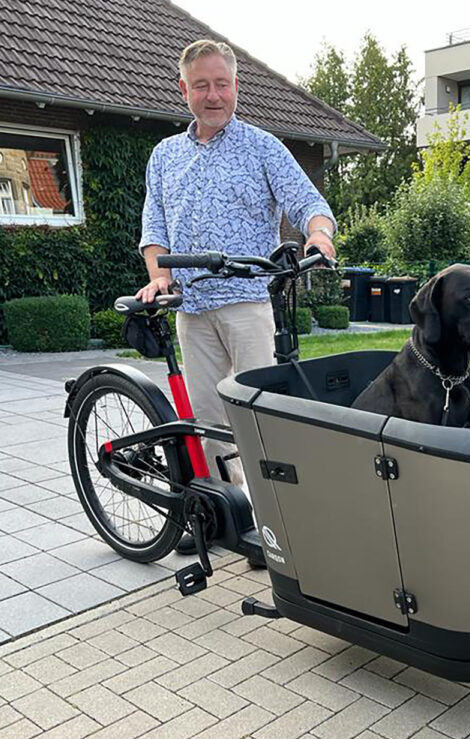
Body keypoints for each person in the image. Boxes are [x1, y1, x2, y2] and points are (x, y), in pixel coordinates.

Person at [136, 39, 336, 556]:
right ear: (184, 90)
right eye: (201, 85)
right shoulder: (165, 156)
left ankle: (271, 528)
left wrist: (319, 235)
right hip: (192, 310)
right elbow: (154, 229)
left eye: (221, 84)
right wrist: (159, 277)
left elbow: (307, 201)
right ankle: (220, 516)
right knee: (208, 422)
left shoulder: (262, 146)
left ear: (235, 87)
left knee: (258, 419)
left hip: (248, 303)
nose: (213, 94)